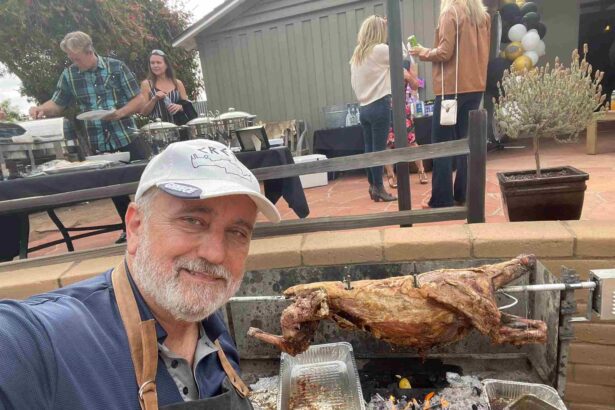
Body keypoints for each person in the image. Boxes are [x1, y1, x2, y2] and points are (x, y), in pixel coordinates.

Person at [0, 139, 281, 409]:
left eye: (237, 232)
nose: (215, 254)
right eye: (193, 221)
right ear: (135, 227)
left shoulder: (213, 334)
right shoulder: (43, 341)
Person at [28, 31, 147, 242]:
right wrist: (40, 109)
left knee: (142, 183)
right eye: (71, 58)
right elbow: (57, 103)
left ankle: (150, 227)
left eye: (77, 58)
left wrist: (119, 113)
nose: (74, 62)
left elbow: (138, 99)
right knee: (113, 188)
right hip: (98, 140)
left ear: (90, 51)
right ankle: (127, 229)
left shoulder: (116, 67)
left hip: (126, 134)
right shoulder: (70, 75)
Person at [411, 0, 490, 208]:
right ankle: (463, 194)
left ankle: (442, 198)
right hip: (475, 86)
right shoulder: (483, 16)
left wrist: (422, 52)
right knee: (465, 142)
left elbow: (445, 52)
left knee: (442, 145)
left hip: (451, 89)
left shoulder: (450, 12)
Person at [350, 15, 397, 203]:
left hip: (364, 107)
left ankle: (373, 185)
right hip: (379, 104)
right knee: (379, 150)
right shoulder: (380, 50)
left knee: (370, 149)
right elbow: (402, 55)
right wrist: (392, 28)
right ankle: (378, 188)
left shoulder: (357, 54)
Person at [384, 61, 429, 188]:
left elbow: (415, 85)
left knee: (411, 141)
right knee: (387, 143)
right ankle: (391, 175)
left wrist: (408, 76)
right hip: (385, 108)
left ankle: (421, 171)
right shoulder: (380, 64)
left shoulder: (405, 63)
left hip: (402, 107)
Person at [140, 49, 190, 124]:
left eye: (158, 62)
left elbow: (188, 107)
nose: (155, 65)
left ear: (166, 65)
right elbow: (143, 112)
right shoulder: (146, 84)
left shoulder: (178, 83)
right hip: (158, 130)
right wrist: (154, 99)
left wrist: (180, 107)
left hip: (179, 128)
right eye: (152, 63)